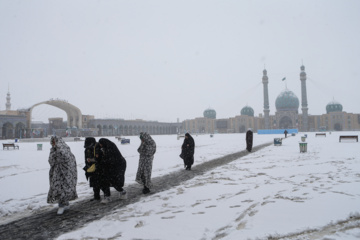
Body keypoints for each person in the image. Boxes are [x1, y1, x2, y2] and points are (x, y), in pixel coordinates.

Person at [47, 136, 78, 215]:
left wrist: (58, 154)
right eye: (52, 142)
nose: (53, 144)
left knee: (64, 188)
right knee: (57, 188)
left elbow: (67, 159)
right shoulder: (53, 150)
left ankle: (62, 205)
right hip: (57, 173)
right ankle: (64, 204)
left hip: (66, 173)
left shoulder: (64, 149)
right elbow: (51, 161)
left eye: (54, 142)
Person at [98, 138, 127, 203]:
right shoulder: (106, 147)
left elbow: (110, 159)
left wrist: (103, 162)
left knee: (113, 180)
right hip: (111, 166)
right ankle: (107, 196)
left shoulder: (110, 148)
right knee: (105, 180)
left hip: (118, 166)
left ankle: (122, 192)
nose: (100, 145)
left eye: (101, 144)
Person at [83, 137, 103, 201]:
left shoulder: (97, 147)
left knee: (100, 183)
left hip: (98, 168)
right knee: (94, 183)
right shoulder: (87, 149)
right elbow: (86, 158)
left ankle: (106, 195)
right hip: (91, 168)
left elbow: (99, 158)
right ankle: (96, 196)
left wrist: (91, 160)